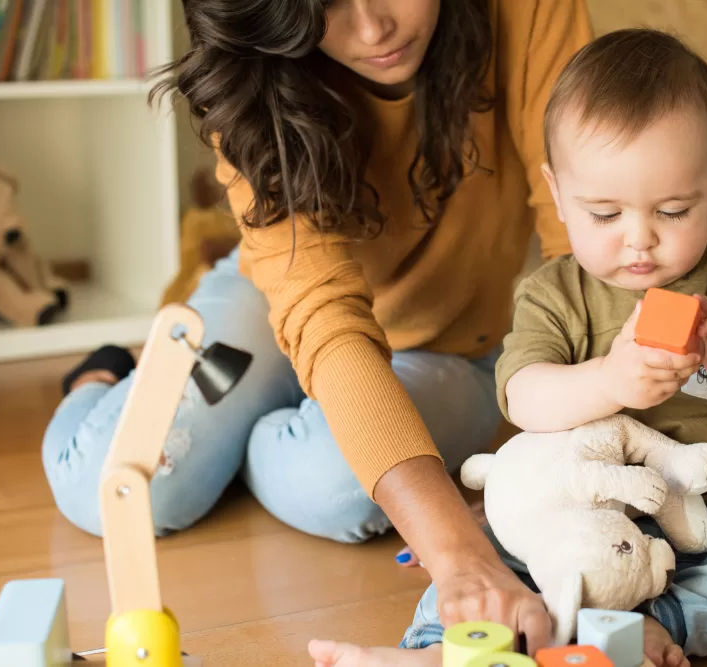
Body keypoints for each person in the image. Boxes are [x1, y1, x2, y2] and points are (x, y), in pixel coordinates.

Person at [40, 0, 594, 657]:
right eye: (323, 4)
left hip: (447, 341)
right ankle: (102, 373)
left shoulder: (529, 11)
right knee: (109, 487)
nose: (372, 29)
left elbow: (582, 238)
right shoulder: (249, 67)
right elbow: (322, 313)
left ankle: (257, 428)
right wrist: (458, 548)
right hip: (279, 299)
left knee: (336, 488)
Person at [313, 27, 707, 667]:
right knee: (493, 557)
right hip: (576, 513)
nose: (639, 241)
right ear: (559, 194)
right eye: (605, 214)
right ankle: (445, 652)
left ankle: (646, 625)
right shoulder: (553, 295)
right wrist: (609, 383)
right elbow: (523, 398)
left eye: (674, 210)